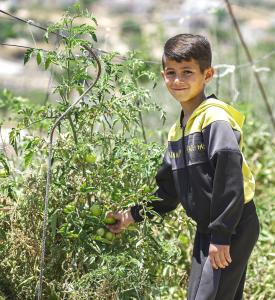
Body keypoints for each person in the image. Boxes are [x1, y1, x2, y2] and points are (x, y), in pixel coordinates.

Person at [106, 33, 260, 300]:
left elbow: (229, 175)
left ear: (207, 74)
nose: (177, 80)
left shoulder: (214, 119)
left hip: (232, 225)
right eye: (170, 72)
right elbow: (168, 193)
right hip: (210, 228)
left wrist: (222, 235)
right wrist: (131, 215)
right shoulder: (178, 132)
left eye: (187, 72)